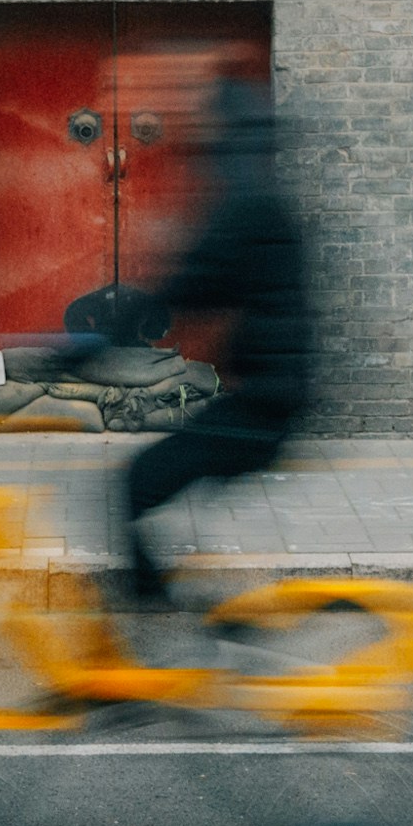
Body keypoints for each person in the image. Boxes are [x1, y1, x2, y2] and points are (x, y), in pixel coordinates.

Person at [114, 70, 314, 608]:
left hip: (263, 410)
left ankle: (153, 626)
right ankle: (188, 614)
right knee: (168, 489)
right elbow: (215, 279)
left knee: (133, 482)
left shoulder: (249, 201)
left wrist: (119, 321)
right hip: (274, 402)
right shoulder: (264, 196)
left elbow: (199, 281)